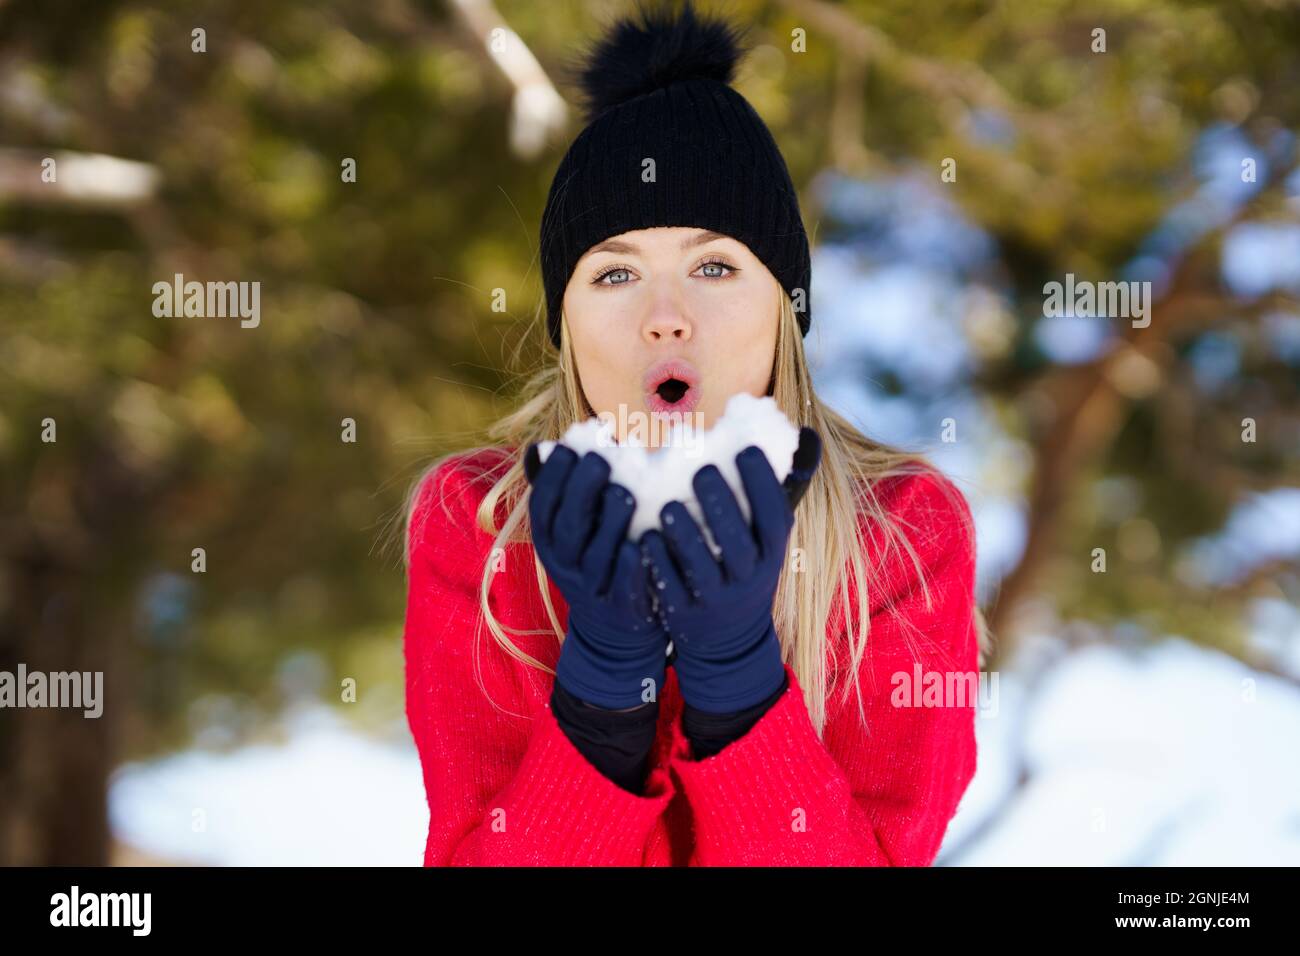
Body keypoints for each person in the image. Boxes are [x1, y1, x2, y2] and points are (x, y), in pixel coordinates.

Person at [400, 0, 989, 866]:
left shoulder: (901, 533)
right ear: (564, 321)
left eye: (714, 266)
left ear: (783, 309)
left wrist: (738, 682)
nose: (665, 318)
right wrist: (602, 690)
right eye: (614, 274)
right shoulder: (481, 528)